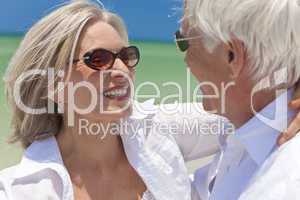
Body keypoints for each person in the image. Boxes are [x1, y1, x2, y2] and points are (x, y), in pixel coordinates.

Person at [0, 1, 230, 200]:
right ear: (53, 86)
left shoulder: (157, 129)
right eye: (99, 60)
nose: (122, 70)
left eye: (126, 56)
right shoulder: (18, 190)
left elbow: (251, 118)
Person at [177, 0, 300, 199]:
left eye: (184, 42)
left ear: (232, 55)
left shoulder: (284, 183)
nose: (186, 60)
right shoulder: (246, 135)